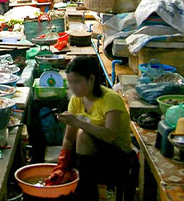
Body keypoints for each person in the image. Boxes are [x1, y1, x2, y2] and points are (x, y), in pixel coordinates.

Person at [46, 56, 131, 197]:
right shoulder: (76, 100)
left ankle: (86, 193)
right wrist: (61, 166)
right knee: (64, 172)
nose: (72, 87)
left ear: (91, 79)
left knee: (83, 136)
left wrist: (78, 122)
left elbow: (110, 135)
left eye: (77, 82)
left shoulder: (110, 99)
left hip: (117, 158)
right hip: (89, 156)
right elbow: (68, 139)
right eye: (70, 82)